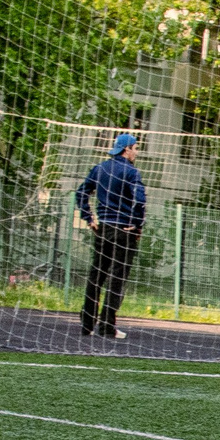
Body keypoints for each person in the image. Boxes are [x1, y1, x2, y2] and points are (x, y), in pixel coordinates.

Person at [74, 132, 147, 339]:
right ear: (127, 149)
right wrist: (137, 223)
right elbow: (139, 200)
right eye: (136, 148)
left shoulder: (100, 168)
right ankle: (107, 326)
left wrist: (89, 218)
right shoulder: (131, 172)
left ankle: (87, 323)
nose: (136, 152)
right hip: (124, 231)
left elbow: (81, 193)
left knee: (97, 274)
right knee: (117, 277)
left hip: (103, 228)